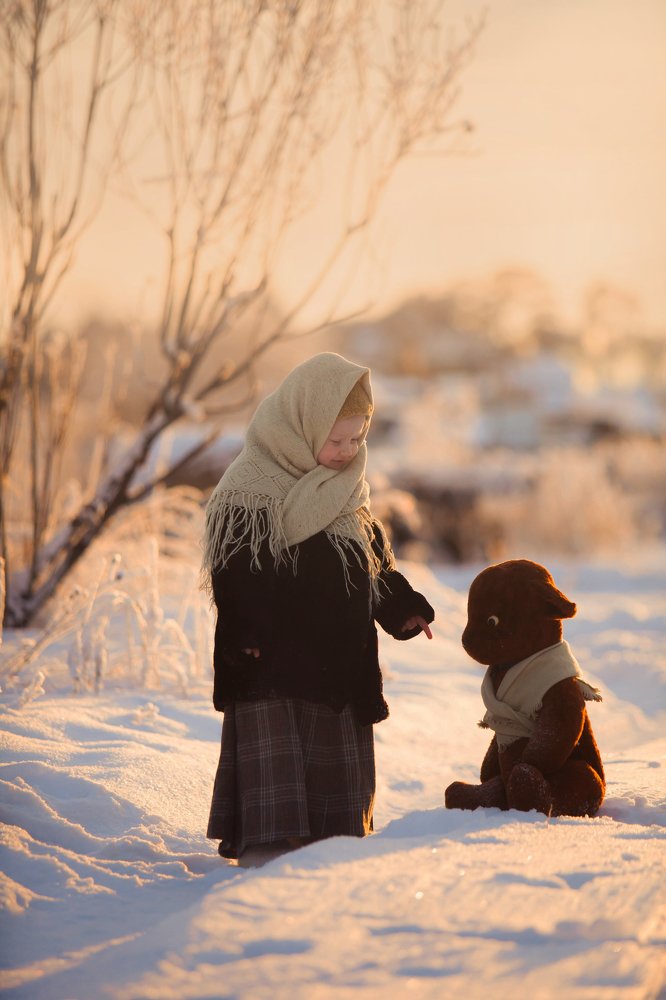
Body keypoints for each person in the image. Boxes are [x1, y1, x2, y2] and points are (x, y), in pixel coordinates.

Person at [203, 352, 434, 866]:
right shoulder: (250, 490)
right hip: (270, 663)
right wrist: (246, 629)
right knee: (279, 781)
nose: (347, 451)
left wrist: (401, 608)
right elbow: (234, 573)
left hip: (336, 665)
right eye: (336, 440)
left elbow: (371, 568)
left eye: (357, 439)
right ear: (302, 426)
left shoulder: (348, 493)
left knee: (334, 821)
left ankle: (327, 854)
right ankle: (266, 854)